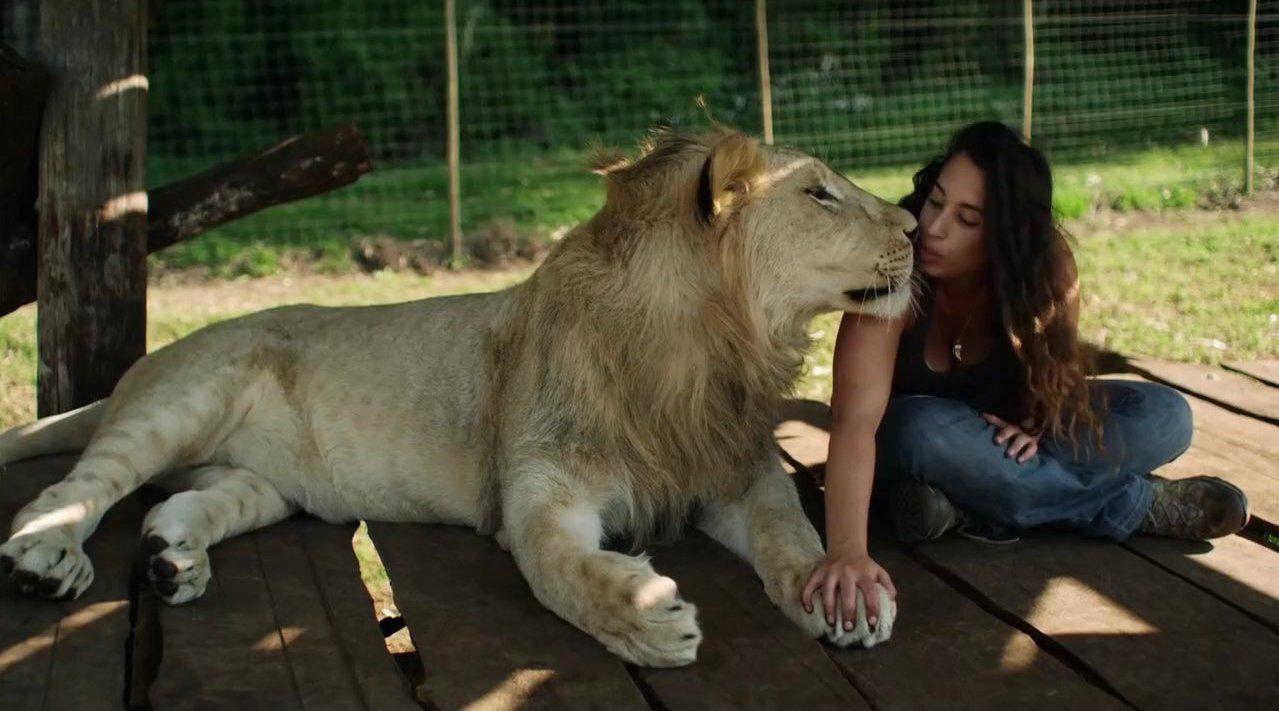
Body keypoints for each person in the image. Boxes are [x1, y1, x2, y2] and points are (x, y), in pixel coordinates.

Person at [801, 121, 1249, 633]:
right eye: (935, 201)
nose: (935, 227)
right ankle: (1134, 505)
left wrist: (1038, 419)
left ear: (1006, 237)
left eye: (967, 219)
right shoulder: (892, 274)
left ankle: (970, 511)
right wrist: (847, 553)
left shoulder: (1046, 268)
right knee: (920, 425)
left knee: (1166, 416)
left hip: (999, 446)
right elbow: (855, 423)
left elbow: (1054, 377)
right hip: (910, 446)